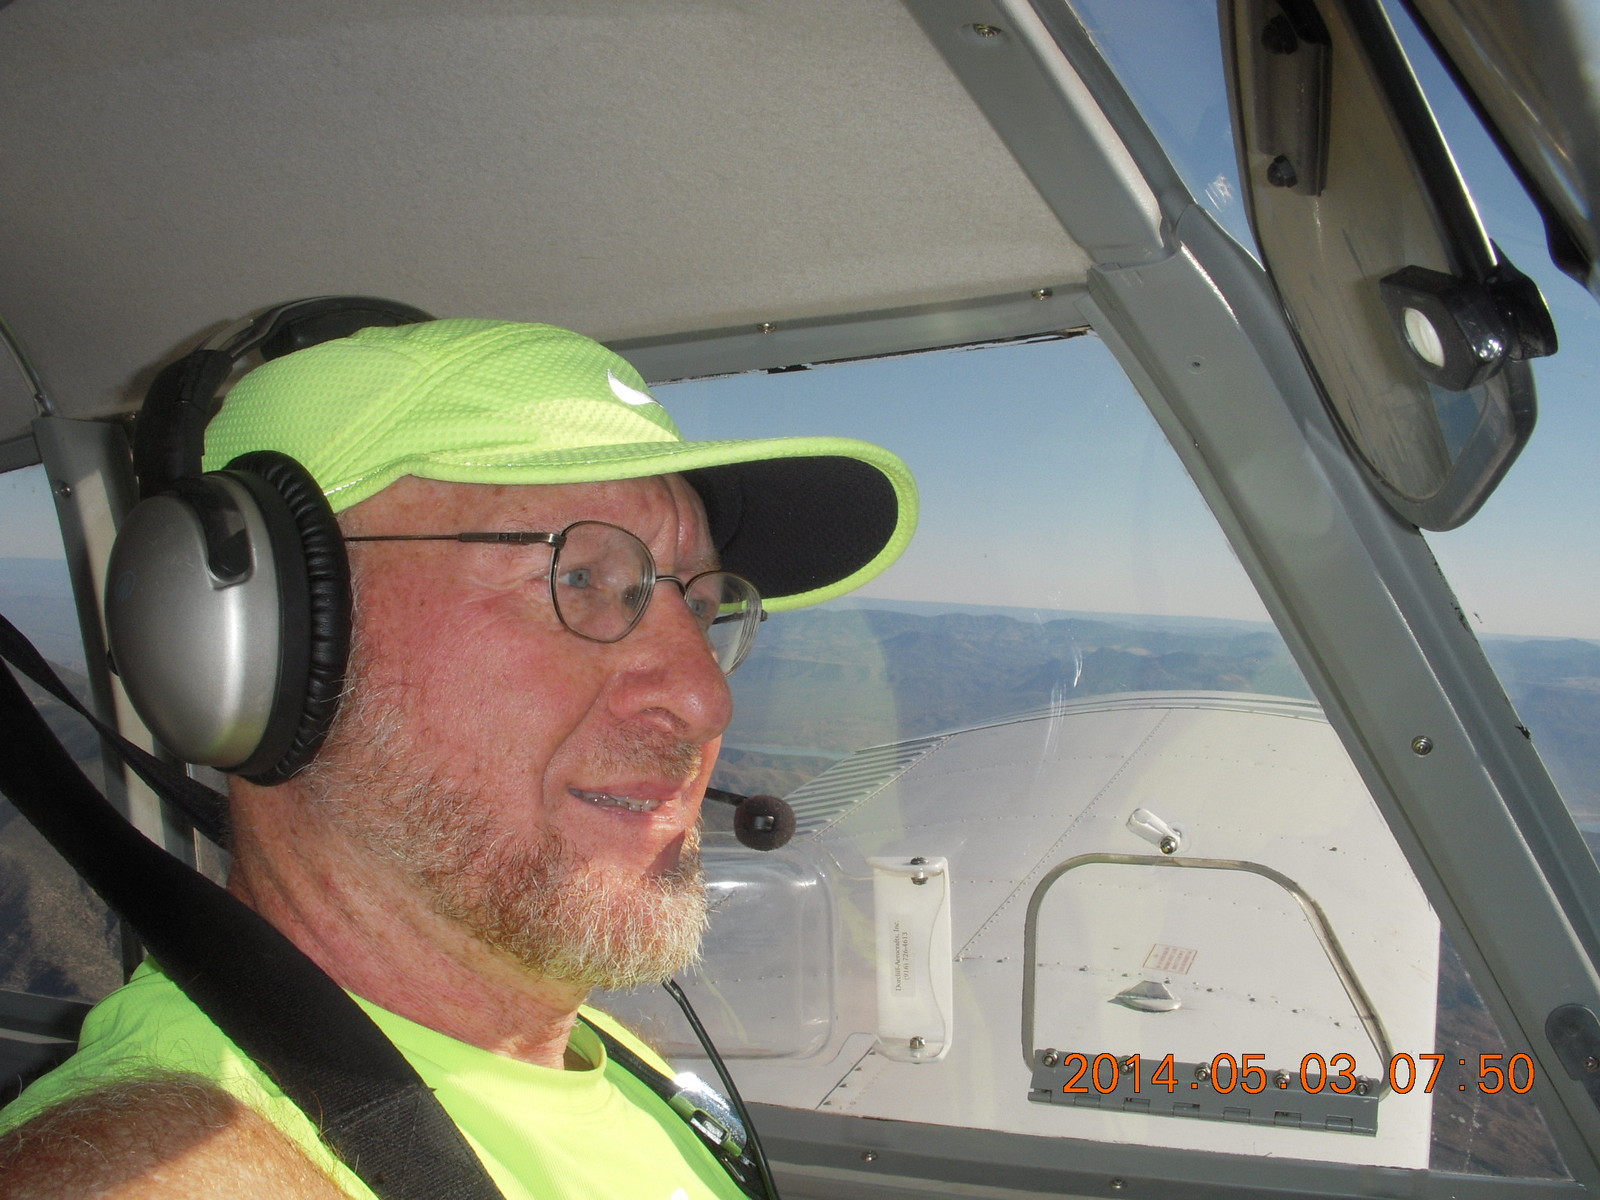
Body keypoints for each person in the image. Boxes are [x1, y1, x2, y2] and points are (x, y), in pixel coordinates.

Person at [0, 318, 917, 1198]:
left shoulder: (617, 1062)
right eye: (579, 578)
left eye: (703, 603)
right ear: (265, 640)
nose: (706, 700)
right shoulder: (165, 1161)